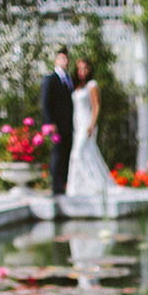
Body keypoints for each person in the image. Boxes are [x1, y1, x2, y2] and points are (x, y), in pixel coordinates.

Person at [66, 57, 117, 197]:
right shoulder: (77, 86)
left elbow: (96, 106)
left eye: (85, 68)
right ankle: (76, 188)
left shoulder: (92, 85)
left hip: (87, 124)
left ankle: (94, 184)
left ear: (90, 69)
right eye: (80, 69)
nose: (82, 71)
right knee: (87, 154)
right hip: (77, 124)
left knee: (77, 154)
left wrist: (92, 124)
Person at [41, 46, 74, 195]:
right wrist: (50, 122)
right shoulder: (50, 79)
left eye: (66, 58)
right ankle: (56, 185)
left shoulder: (69, 79)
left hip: (69, 124)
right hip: (57, 124)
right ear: (56, 61)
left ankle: (64, 184)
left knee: (66, 153)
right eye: (62, 58)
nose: (65, 61)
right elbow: (46, 103)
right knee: (58, 153)